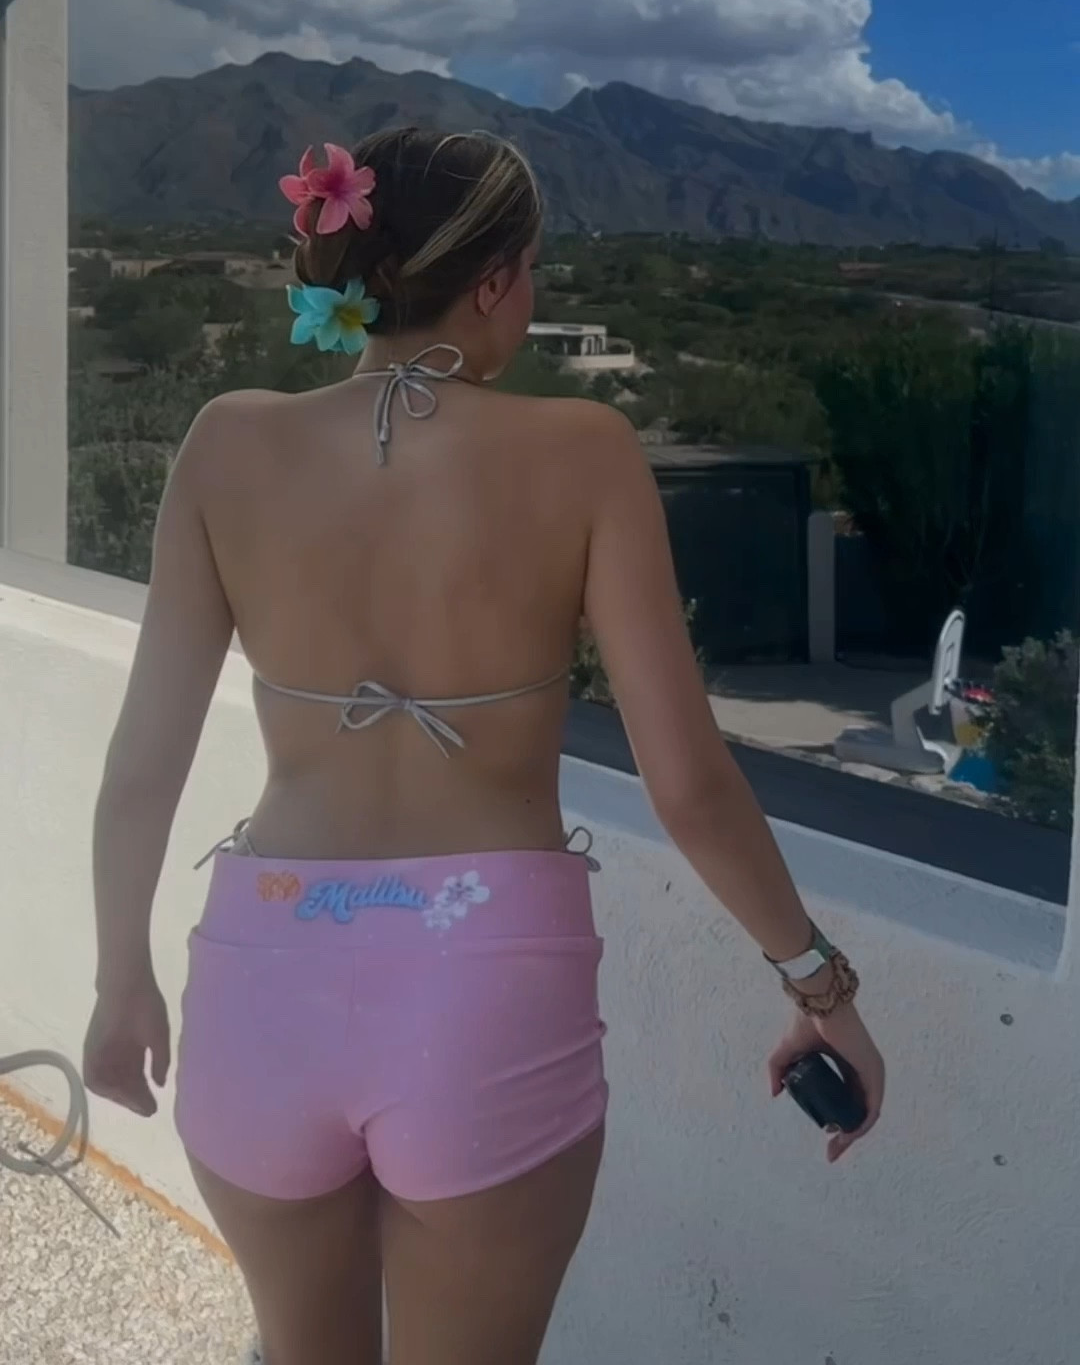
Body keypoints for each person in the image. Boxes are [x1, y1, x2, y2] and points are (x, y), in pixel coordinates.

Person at [83, 127, 884, 1365]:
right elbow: (687, 785)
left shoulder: (224, 443)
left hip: (263, 977)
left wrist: (119, 975)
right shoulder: (584, 451)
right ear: (497, 279)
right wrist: (818, 986)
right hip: (485, 985)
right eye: (536, 269)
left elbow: (145, 760)